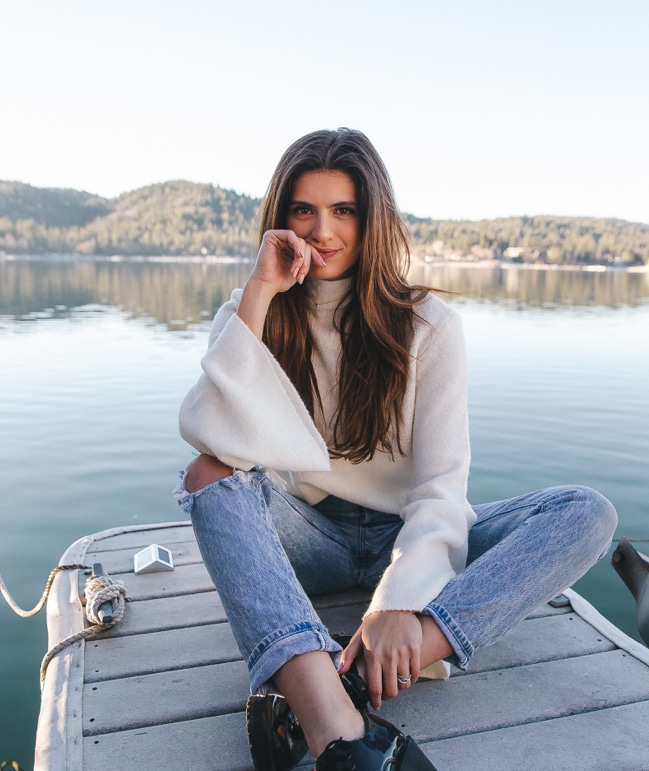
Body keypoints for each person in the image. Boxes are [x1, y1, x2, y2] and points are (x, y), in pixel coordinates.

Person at [174, 128, 617, 771]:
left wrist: (398, 606)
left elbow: (440, 488)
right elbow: (212, 437)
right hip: (310, 535)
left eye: (343, 210)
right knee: (207, 474)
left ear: (372, 217)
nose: (323, 230)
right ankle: (329, 714)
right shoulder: (253, 313)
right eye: (304, 210)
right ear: (282, 218)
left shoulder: (429, 326)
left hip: (400, 535)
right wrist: (261, 293)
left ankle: (387, 659)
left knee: (587, 512)